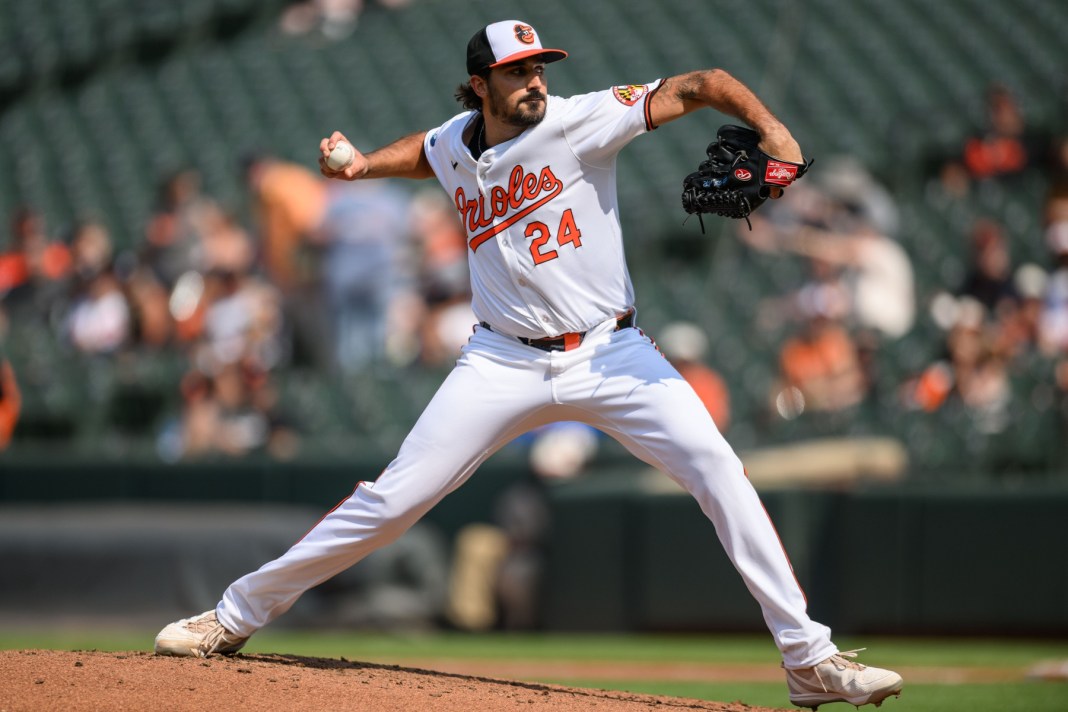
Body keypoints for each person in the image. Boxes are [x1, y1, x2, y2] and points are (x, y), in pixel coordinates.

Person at [154, 20, 902, 709]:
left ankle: (808, 659)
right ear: (480, 85)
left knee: (718, 469)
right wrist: (358, 168)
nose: (535, 81)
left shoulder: (578, 120)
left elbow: (698, 84)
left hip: (612, 352)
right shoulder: (457, 140)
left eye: (539, 66)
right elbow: (428, 151)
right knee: (390, 503)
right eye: (517, 72)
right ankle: (233, 616)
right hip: (501, 362)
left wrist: (774, 132)